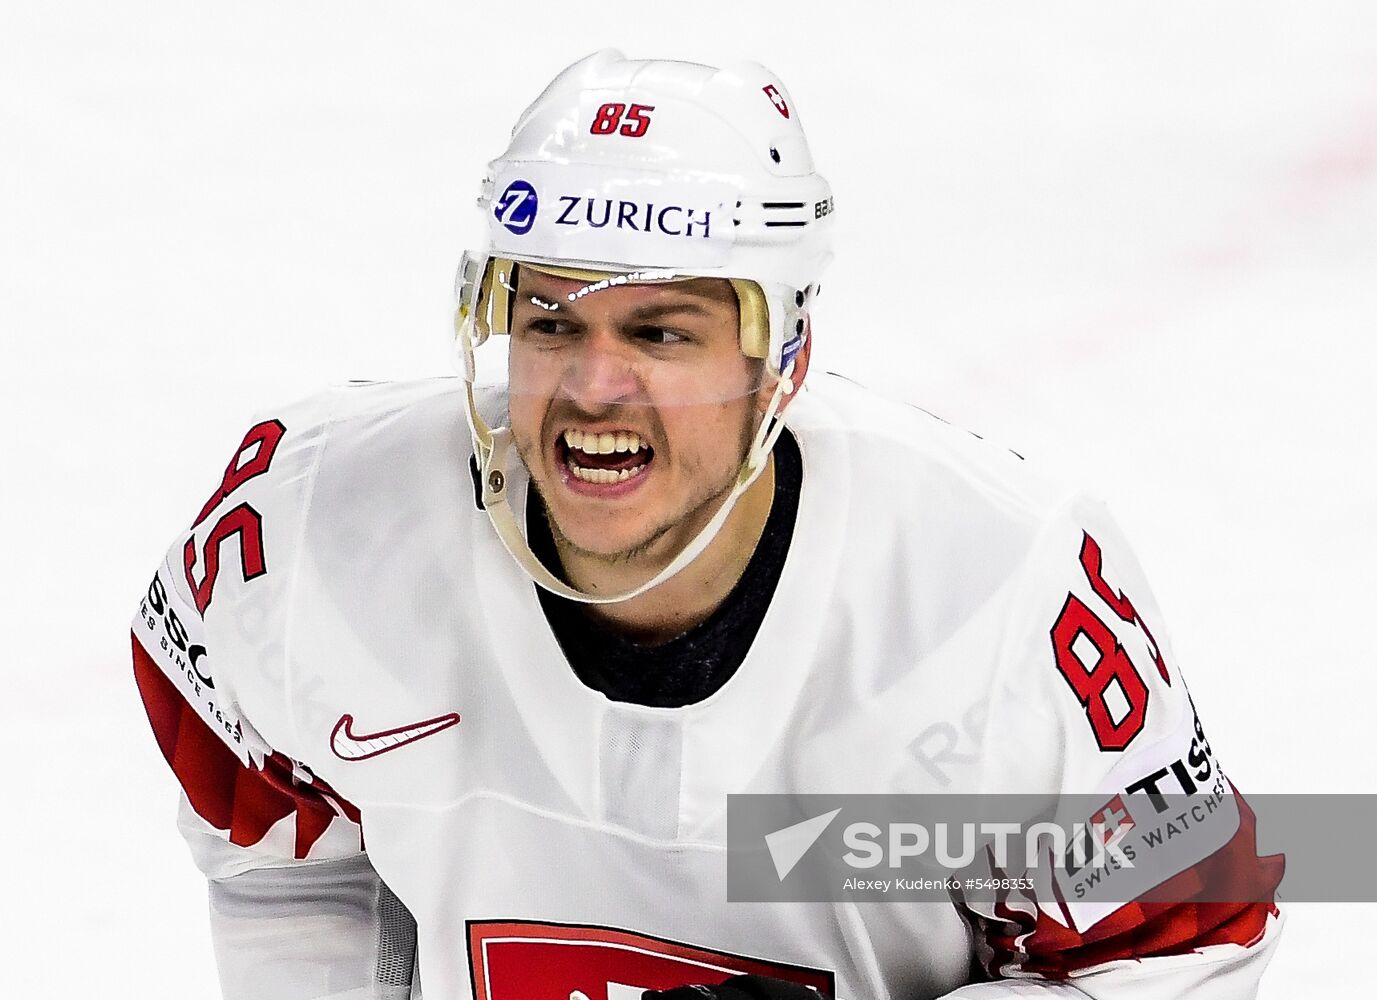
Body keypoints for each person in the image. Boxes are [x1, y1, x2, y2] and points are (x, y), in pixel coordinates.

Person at [131, 50, 1283, 1000]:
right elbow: (272, 838)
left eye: (662, 333)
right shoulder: (322, 527)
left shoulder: (992, 589)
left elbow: (1201, 946)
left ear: (781, 360)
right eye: (550, 320)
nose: (592, 387)